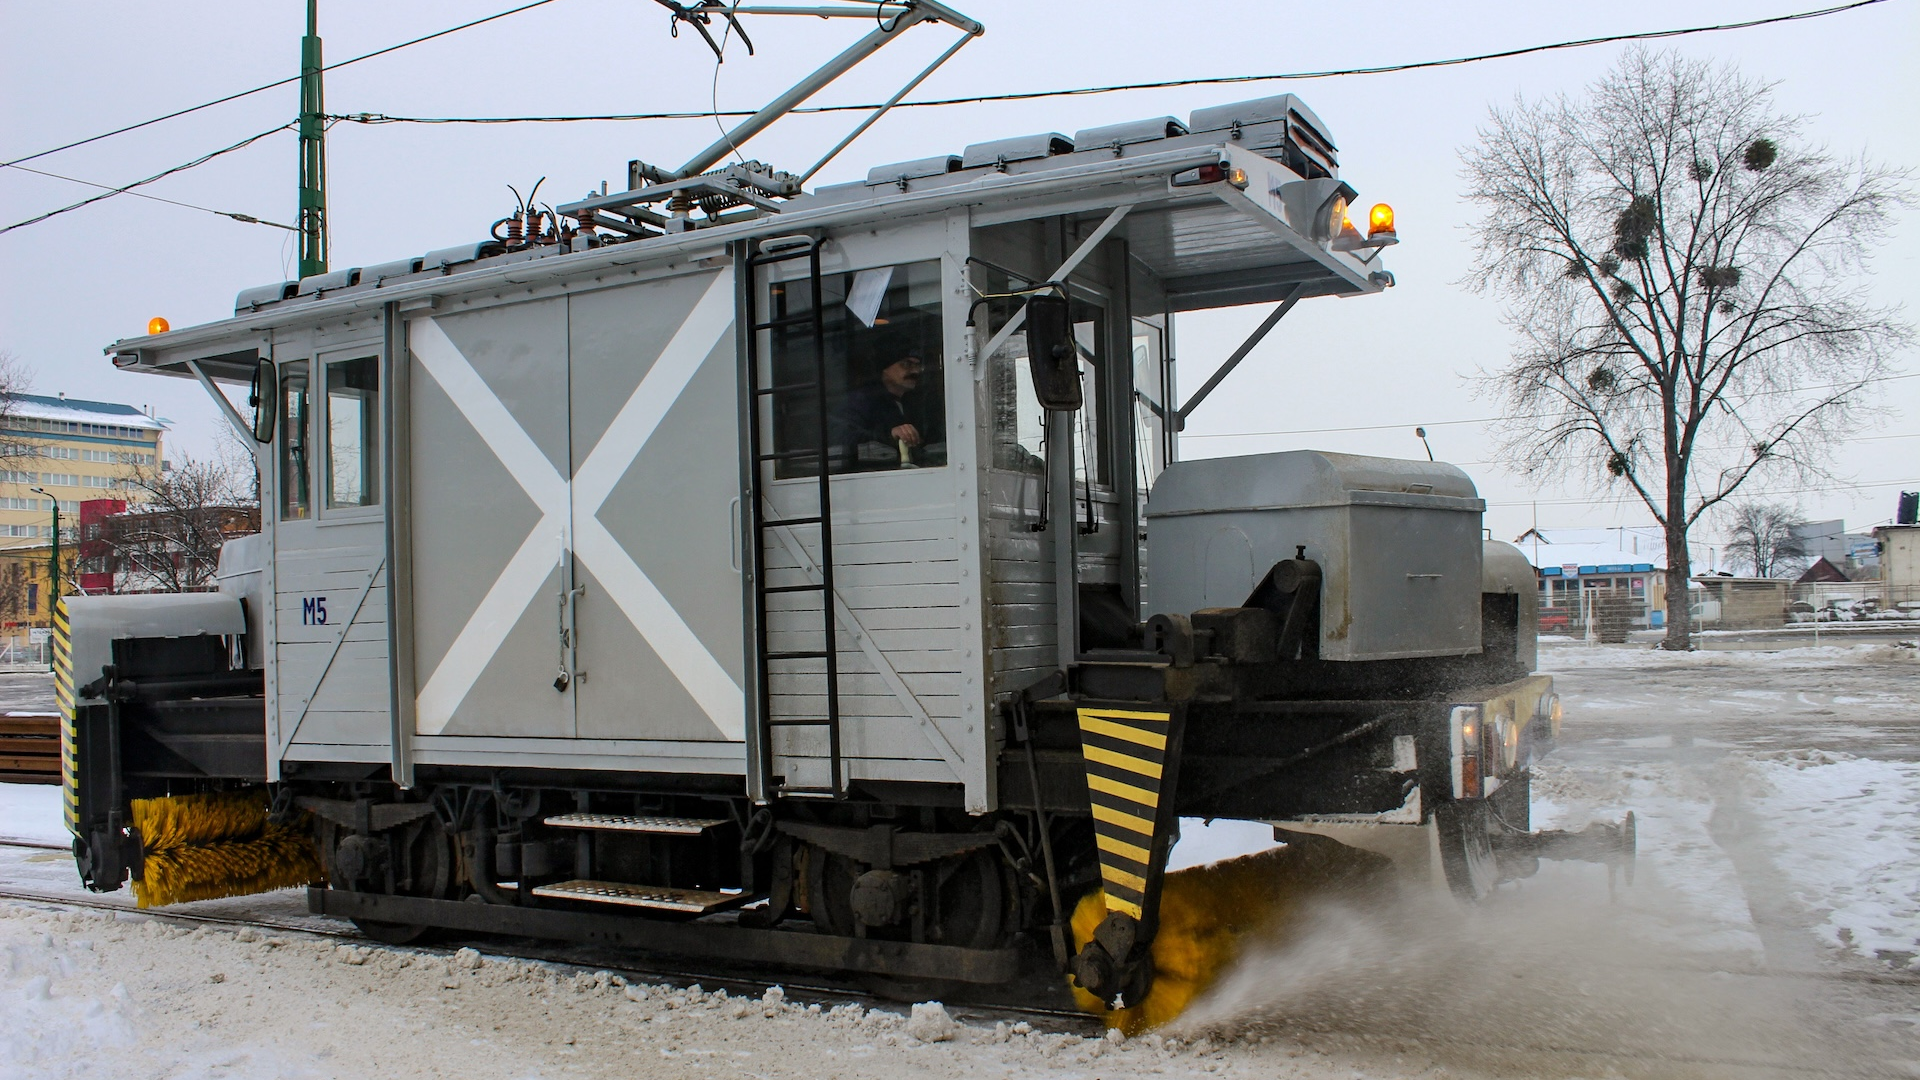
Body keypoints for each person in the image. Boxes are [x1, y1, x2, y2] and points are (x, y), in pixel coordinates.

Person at [832, 348, 927, 470]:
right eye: (906, 364)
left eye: (917, 365)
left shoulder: (915, 401)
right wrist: (889, 435)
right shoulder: (862, 400)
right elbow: (842, 438)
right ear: (884, 369)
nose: (915, 371)